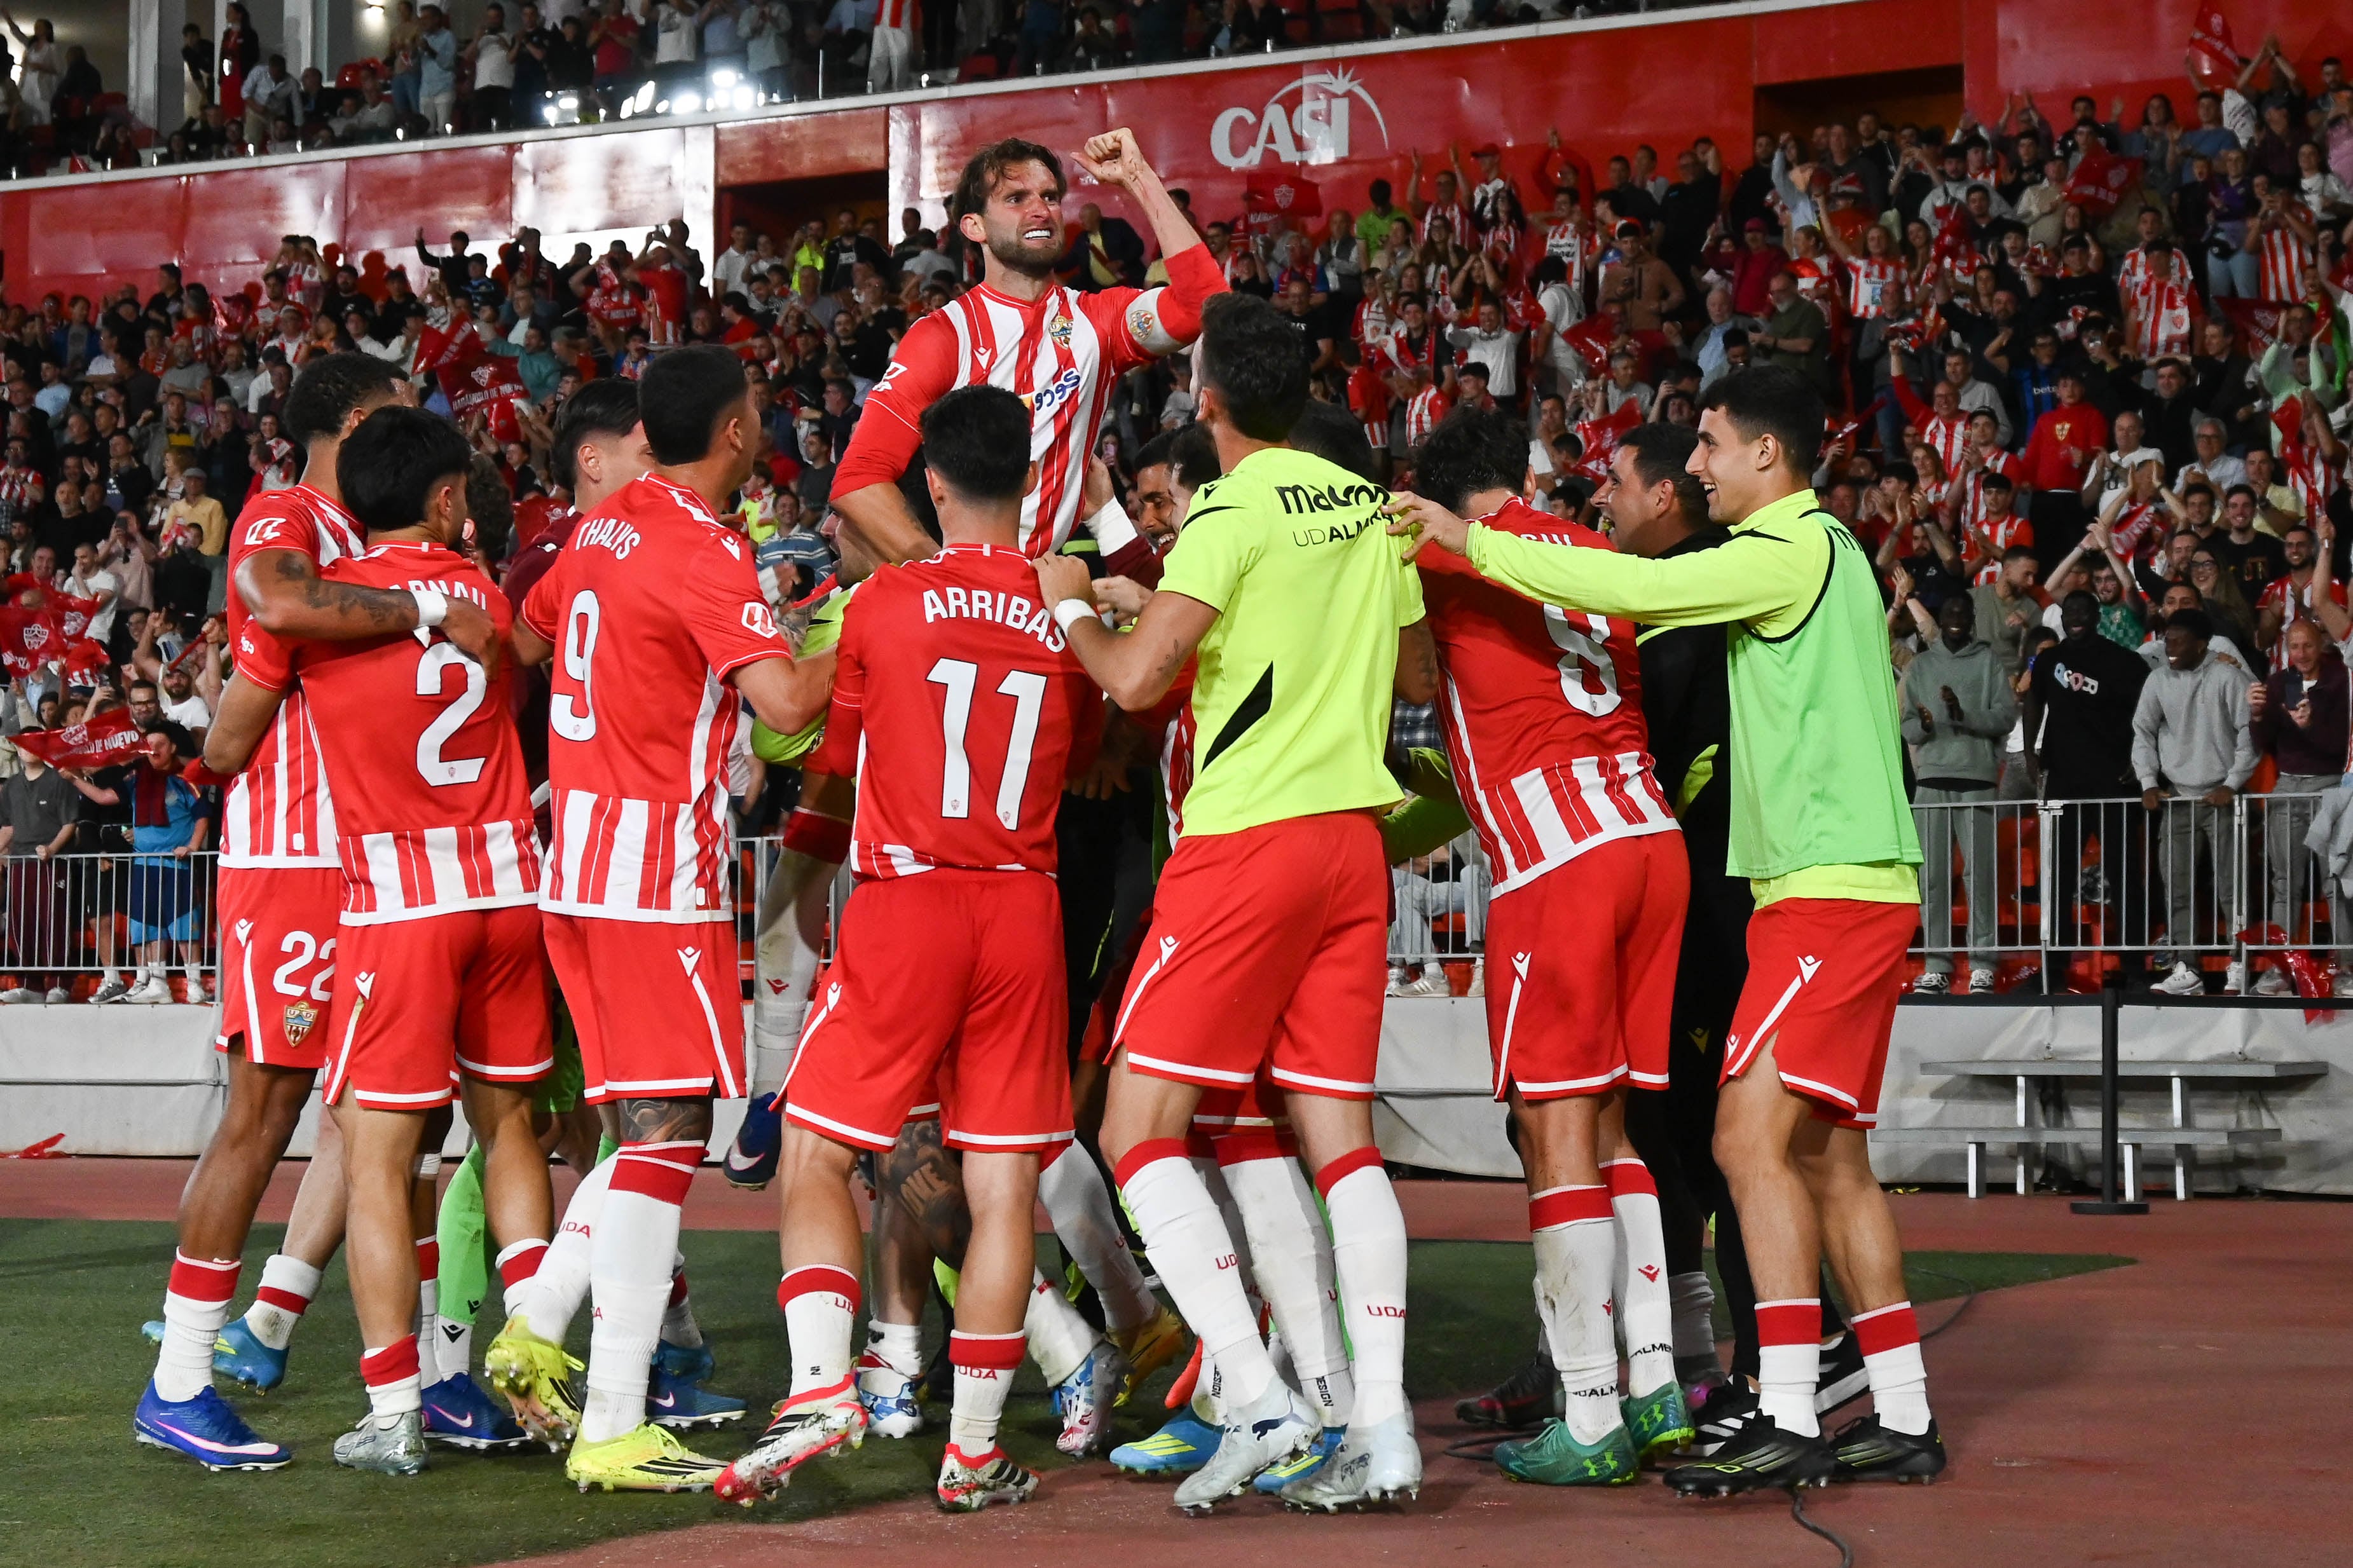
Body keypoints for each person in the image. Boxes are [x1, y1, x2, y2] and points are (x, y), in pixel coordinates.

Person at [1393, 362, 1945, 1489]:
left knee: (1740, 1141)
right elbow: (1623, 600)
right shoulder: (1821, 550)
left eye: (1709, 443)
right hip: (1789, 874)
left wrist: (1464, 538)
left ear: (1767, 456)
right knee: (1830, 1157)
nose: (1692, 466)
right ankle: (1900, 1406)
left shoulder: (1787, 548)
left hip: (1814, 885)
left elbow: (1643, 598)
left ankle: (1779, 1408)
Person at [1029, 292, 1439, 1511]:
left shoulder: (1224, 513)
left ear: (1204, 398)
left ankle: (1254, 1397)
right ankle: (1381, 1420)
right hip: (1350, 848)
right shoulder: (1367, 509)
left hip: (1244, 844)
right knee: (1341, 1140)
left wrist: (1068, 602)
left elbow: (1142, 679)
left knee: (1136, 1127)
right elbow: (1414, 669)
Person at [718, 386, 1092, 1511]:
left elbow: (831, 748)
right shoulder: (1060, 605)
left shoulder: (883, 601)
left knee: (816, 1155)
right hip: (1023, 903)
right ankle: (973, 1450)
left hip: (909, 900)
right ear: (1027, 480)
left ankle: (826, 1385)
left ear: (930, 481)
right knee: (1005, 1180)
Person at [131, 353, 498, 1473]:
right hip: (295, 859)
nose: (422, 426)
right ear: (356, 418)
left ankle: (433, 1376)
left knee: (412, 1116)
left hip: (387, 864)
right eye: (403, 409)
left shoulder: (399, 532)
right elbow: (272, 620)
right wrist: (427, 604)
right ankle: (182, 1379)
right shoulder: (282, 514)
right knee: (266, 1109)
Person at [491, 344, 833, 1492]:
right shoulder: (704, 546)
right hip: (653, 877)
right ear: (735, 434)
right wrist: (859, 626)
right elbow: (783, 703)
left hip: (575, 868)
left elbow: (528, 639)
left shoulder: (600, 522)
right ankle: (614, 1420)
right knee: (671, 1138)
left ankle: (535, 1329)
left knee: (643, 1136)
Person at [202, 406, 556, 1476]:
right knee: (508, 1135)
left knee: (375, 1155)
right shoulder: (483, 597)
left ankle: (394, 1406)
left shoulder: (317, 617)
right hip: (507, 892)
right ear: (446, 500)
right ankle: (537, 1355)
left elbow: (229, 741)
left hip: (398, 909)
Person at [1401, 406, 1691, 1485]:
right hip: (1647, 837)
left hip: (1555, 856)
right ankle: (1656, 1384)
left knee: (1553, 1127)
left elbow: (1417, 681)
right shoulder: (1586, 545)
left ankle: (1589, 1410)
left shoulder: (1441, 550)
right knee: (1616, 1127)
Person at [828, 131, 1221, 572]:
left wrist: (1138, 177)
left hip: (1043, 588)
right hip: (965, 590)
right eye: (1016, 198)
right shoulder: (943, 336)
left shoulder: (1100, 321)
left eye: (1050, 196)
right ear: (974, 226)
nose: (1041, 210)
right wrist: (951, 576)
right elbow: (859, 480)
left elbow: (1202, 305)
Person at [2132, 606, 2257, 995]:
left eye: (2180, 640)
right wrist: (2148, 782)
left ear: (2202, 644)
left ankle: (2240, 962)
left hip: (2221, 797)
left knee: (2231, 886)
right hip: (2178, 800)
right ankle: (2188, 968)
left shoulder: (2227, 676)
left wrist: (2233, 784)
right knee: (2178, 888)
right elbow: (2142, 731)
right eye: (2168, 638)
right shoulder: (2156, 681)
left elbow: (2248, 732)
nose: (2170, 646)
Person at [1900, 594, 2017, 993]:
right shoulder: (1922, 665)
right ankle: (1937, 962)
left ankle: (1982, 962)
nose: (1955, 618)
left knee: (1979, 874)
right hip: (1931, 779)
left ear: (1971, 620)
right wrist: (1928, 725)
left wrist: (1964, 716)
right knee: (1931, 879)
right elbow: (1909, 727)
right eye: (1948, 611)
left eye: (1961, 613)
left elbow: (2005, 716)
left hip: (1977, 779)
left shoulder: (1989, 663)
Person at [2024, 590, 2151, 953]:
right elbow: (2033, 700)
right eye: (2069, 611)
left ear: (2097, 615)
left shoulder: (2125, 662)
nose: (2076, 617)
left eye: (2083, 610)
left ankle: (2132, 962)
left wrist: (2140, 758)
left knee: (2123, 876)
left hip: (2113, 782)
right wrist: (2032, 752)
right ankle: (2057, 962)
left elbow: (2148, 714)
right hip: (2064, 781)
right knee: (2059, 876)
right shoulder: (2049, 660)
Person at [2247, 619, 2349, 993]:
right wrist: (2257, 716)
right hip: (2288, 786)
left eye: (2308, 646)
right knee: (2284, 883)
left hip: (2332, 787)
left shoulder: (2341, 681)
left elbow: (2341, 745)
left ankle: (2345, 967)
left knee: (2336, 882)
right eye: (2295, 647)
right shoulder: (2280, 683)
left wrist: (2310, 727)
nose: (2301, 655)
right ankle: (2282, 970)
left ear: (2321, 644)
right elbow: (2265, 742)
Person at [0, 738, 78, 1004]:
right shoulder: (11, 785)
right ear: (18, 751)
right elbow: (8, 827)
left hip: (50, 864)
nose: (28, 750)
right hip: (20, 863)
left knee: (53, 921)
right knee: (21, 923)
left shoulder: (59, 781)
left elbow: (70, 823)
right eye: (23, 745)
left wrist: (52, 849)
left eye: (34, 745)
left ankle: (59, 983)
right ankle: (28, 983)